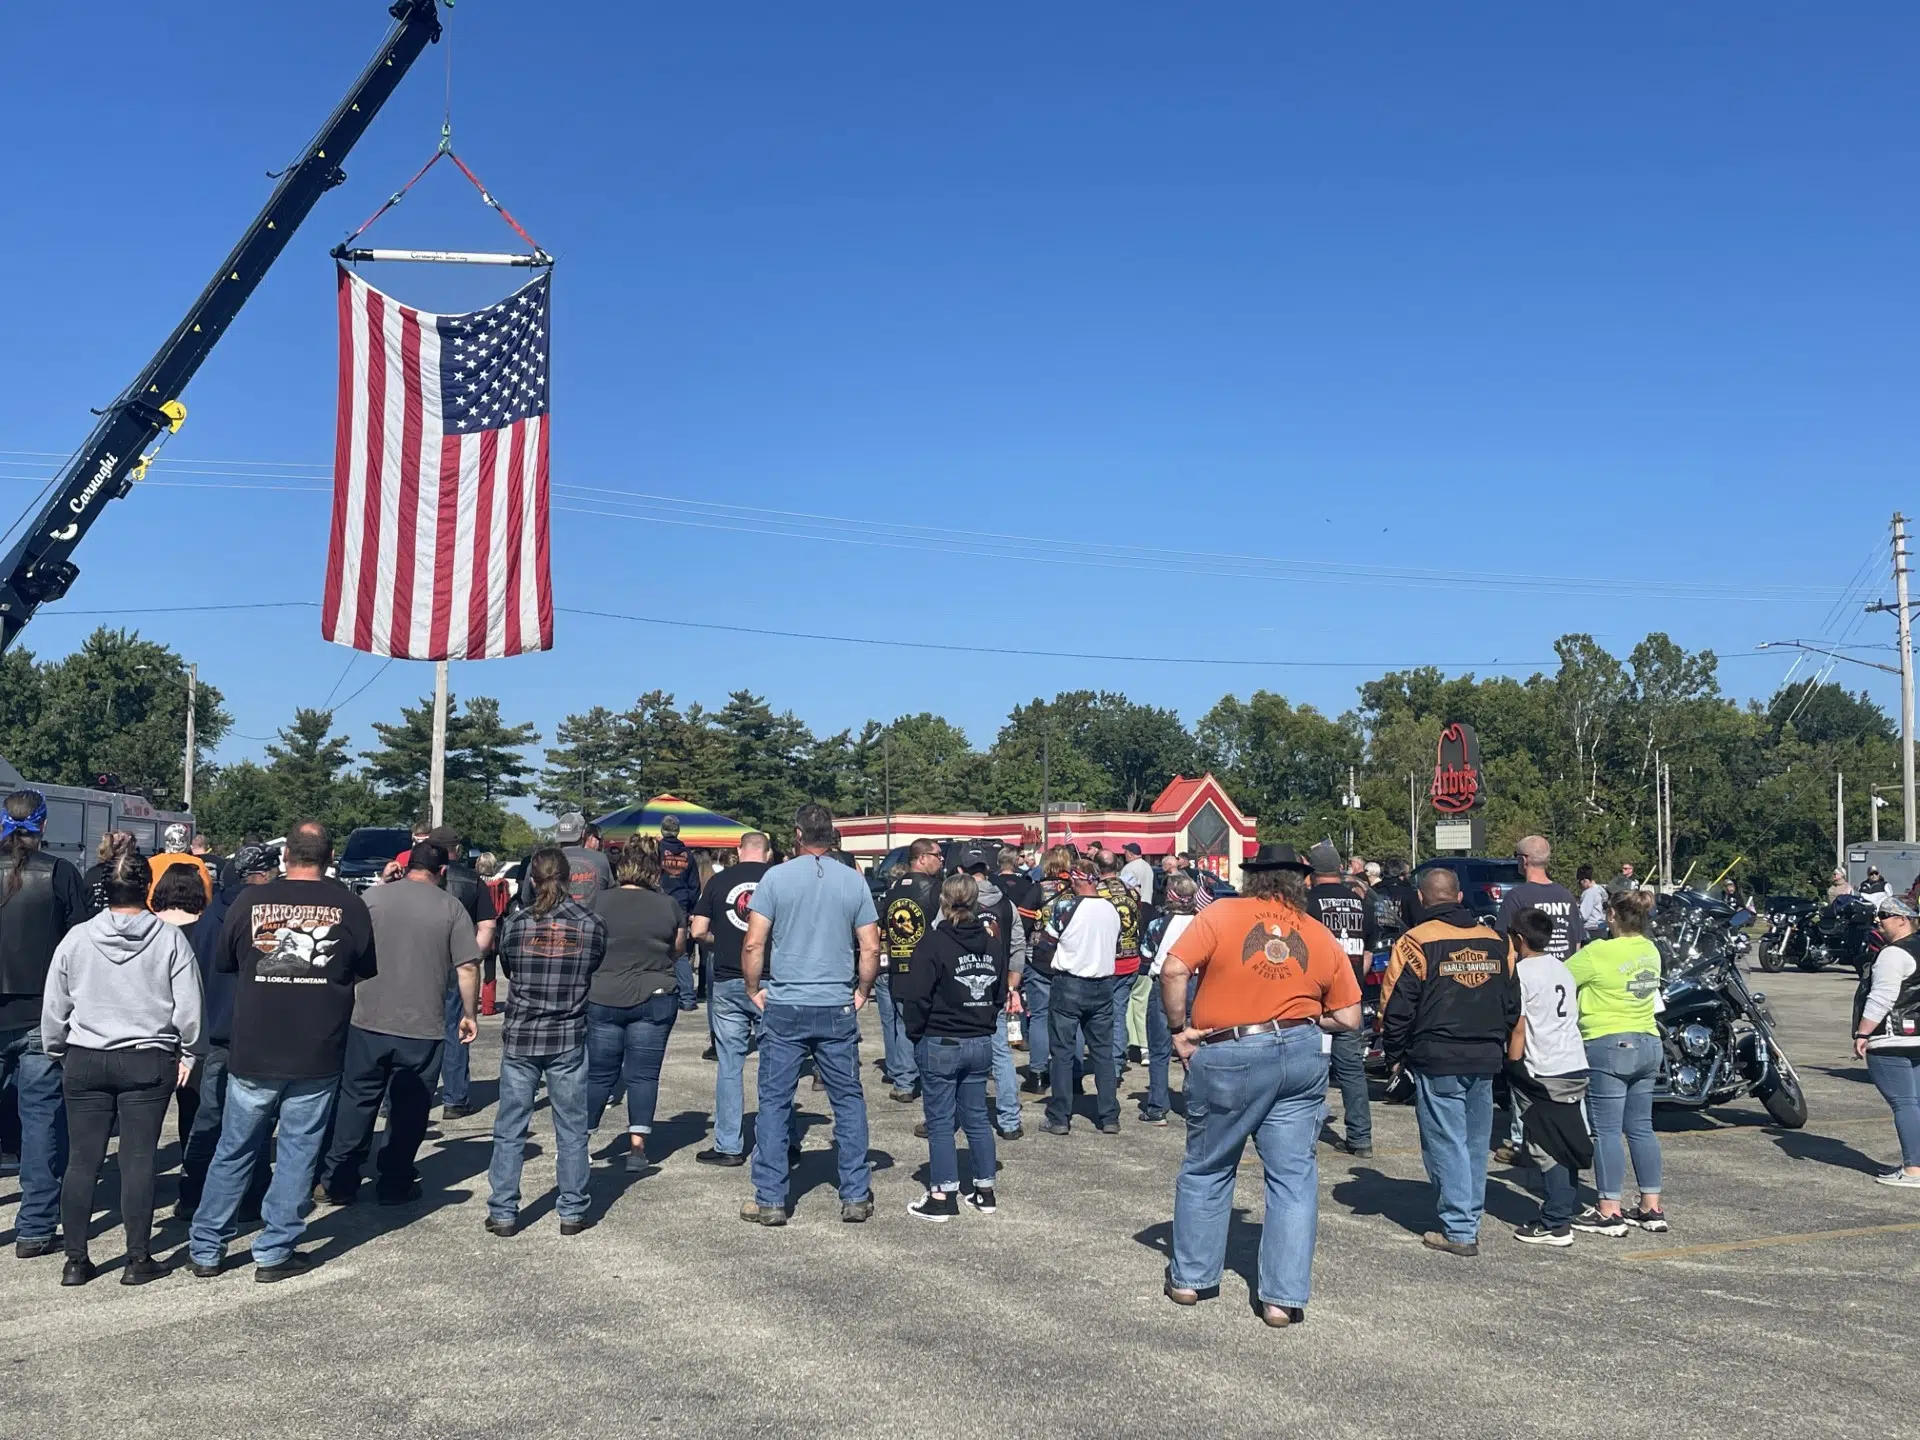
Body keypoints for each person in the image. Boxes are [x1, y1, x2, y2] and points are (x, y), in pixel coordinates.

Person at [1159, 842, 1361, 1327]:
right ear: (1300, 882)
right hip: (1299, 1053)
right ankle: (1281, 1299)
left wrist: (1177, 1029)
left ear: (1254, 878)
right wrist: (1303, 1021)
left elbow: (1173, 968)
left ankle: (1191, 1279)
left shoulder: (1223, 914)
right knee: (1293, 1178)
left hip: (1230, 1050)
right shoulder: (1317, 933)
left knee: (1209, 1166)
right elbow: (1350, 1016)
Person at [189, 822, 377, 1281]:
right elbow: (363, 968)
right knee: (297, 1152)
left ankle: (207, 1247)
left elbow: (227, 962)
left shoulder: (250, 901)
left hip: (255, 1044)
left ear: (285, 855)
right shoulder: (351, 905)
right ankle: (273, 1250)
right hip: (317, 1047)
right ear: (329, 857)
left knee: (234, 1148)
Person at [40, 850, 202, 1286]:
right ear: (147, 888)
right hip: (147, 1059)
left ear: (103, 891)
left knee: (82, 1161)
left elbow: (55, 1005)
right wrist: (188, 1051)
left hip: (86, 1056)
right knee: (138, 1160)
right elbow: (189, 1006)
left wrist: (58, 1049)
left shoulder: (76, 938)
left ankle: (76, 1260)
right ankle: (137, 1258)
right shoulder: (169, 939)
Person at [738, 804, 881, 1226]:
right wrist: (863, 991)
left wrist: (752, 989)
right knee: (848, 1100)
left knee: (775, 1102)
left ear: (797, 834)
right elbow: (870, 947)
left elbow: (753, 944)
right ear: (832, 836)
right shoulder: (853, 881)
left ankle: (770, 1199)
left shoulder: (775, 878)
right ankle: (855, 1193)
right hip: (835, 1003)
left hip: (785, 1002)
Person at [316, 842, 479, 1208]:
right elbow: (467, 966)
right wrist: (468, 1013)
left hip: (367, 1017)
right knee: (409, 1109)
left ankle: (339, 1180)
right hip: (422, 1025)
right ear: (441, 873)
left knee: (356, 1101)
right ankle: (394, 1182)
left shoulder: (373, 898)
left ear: (407, 866)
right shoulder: (450, 907)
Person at [1380, 866, 1518, 1257]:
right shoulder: (1496, 941)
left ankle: (1459, 1228)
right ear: (1459, 897)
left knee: (1445, 1141)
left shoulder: (1415, 942)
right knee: (1475, 1143)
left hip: (1437, 1055)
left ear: (1422, 900)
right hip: (1486, 1054)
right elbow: (1512, 1003)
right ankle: (1468, 1216)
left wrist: (1395, 1056)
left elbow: (1396, 1007)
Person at [487, 848, 607, 1237]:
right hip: (568, 1033)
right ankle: (572, 1210)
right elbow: (593, 965)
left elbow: (508, 967)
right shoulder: (591, 924)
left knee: (510, 1126)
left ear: (532, 881)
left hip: (522, 1034)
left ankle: (504, 1211)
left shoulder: (517, 925)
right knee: (571, 1128)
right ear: (569, 879)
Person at [0, 789, 88, 1259]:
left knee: (37, 1122)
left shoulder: (58, 872)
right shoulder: (60, 873)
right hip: (42, 1013)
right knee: (41, 1124)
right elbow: (79, 947)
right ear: (43, 825)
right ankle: (34, 1229)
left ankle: (34, 1225)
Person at [176, 844, 279, 1222]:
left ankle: (192, 1195)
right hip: (258, 1031)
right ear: (265, 874)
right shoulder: (269, 917)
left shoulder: (205, 918)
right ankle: (253, 1198)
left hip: (212, 1030)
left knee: (208, 1119)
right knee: (257, 1121)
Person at [897, 873, 1007, 1220]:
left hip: (941, 1037)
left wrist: (915, 1033)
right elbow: (999, 992)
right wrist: (986, 1020)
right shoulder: (993, 943)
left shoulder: (932, 942)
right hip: (979, 1038)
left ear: (942, 901)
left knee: (941, 1121)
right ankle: (984, 1190)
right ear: (977, 902)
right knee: (976, 1117)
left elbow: (916, 996)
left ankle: (943, 1195)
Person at [1564, 888, 1667, 1236]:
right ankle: (1651, 1205)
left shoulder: (1598, 952)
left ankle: (1608, 1208)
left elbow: (1561, 980)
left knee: (1607, 1130)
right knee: (1641, 1127)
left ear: (1610, 916)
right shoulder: (1650, 950)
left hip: (1608, 1042)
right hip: (1648, 1041)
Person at [586, 838, 686, 1173]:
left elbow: (587, 945)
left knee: (599, 1073)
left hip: (603, 993)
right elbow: (679, 948)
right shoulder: (668, 905)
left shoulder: (597, 901)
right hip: (654, 993)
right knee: (643, 1075)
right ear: (654, 868)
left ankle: (580, 1142)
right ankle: (637, 1151)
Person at [1503, 908, 1592, 1246]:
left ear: (1520, 939)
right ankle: (1563, 1207)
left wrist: (1512, 1066)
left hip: (1545, 1069)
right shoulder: (1561, 967)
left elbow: (1520, 1026)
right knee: (1565, 1139)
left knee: (1545, 1145)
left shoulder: (1523, 973)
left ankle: (1556, 1222)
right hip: (1573, 1062)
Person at [690, 832, 774, 1167]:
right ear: (767, 853)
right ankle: (781, 1140)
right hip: (772, 978)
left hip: (727, 977)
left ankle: (728, 1144)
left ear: (739, 852)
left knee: (729, 1065)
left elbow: (697, 931)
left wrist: (721, 937)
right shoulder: (778, 879)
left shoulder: (718, 881)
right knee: (777, 1064)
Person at [1305, 843, 1377, 1158]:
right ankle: (1361, 1138)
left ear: (1312, 873)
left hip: (1316, 997)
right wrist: (1354, 983)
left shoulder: (1307, 903)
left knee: (1312, 1069)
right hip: (1351, 996)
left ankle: (1307, 1135)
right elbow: (1368, 952)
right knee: (1351, 1069)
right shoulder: (1362, 901)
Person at [1039, 866, 1123, 1136]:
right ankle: (1109, 1116)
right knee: (1103, 1054)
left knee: (1062, 1053)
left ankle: (1059, 1117)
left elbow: (1045, 943)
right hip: (1103, 984)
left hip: (1070, 983)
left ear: (1078, 879)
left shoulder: (1066, 908)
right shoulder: (1111, 909)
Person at [951, 846, 1026, 1141]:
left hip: (959, 987)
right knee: (1000, 1055)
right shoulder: (1006, 905)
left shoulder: (955, 902)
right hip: (995, 987)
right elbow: (1018, 947)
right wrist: (1012, 986)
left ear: (961, 871)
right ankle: (1009, 1121)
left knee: (953, 1055)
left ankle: (950, 1118)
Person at [427, 826, 497, 1121]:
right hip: (457, 964)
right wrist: (473, 955)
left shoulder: (416, 879)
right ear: (454, 848)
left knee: (412, 1029)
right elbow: (487, 926)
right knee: (457, 1028)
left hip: (419, 962)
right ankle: (454, 1098)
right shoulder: (471, 881)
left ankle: (399, 1097)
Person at [1853, 893, 1920, 1186]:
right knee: (1915, 1103)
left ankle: (1913, 1169)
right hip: (1917, 1036)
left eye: (1884, 916)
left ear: (1903, 919)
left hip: (1891, 1039)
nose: (1878, 923)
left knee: (1904, 1103)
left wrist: (1863, 1032)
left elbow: (1881, 998)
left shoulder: (1893, 954)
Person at [878, 840, 943, 1104]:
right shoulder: (936, 890)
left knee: (904, 1025)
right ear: (922, 858)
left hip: (898, 964)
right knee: (929, 1026)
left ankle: (904, 1083)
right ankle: (929, 1080)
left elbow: (883, 923)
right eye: (937, 855)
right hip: (926, 967)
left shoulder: (893, 889)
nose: (941, 860)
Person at [150, 866, 209, 1148]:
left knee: (144, 1118)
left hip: (151, 1030)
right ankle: (192, 1172)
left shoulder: (148, 927)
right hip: (191, 1029)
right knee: (192, 1108)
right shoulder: (207, 929)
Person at [1136, 872, 1198, 1124]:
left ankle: (1157, 1107)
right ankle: (1194, 1104)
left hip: (1164, 984)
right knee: (1194, 1049)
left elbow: (1145, 958)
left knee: (1159, 1050)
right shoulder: (1203, 923)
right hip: (1196, 984)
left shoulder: (1157, 925)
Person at [1019, 846, 1073, 1096]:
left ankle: (1038, 1074)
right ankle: (1075, 1075)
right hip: (1073, 960)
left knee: (1039, 1016)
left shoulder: (1037, 889)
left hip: (1040, 958)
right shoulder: (1078, 890)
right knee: (1074, 1018)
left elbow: (1023, 926)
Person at [1094, 849, 1144, 1077]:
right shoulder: (1132, 891)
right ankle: (1115, 1060)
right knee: (1119, 1011)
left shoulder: (1096, 893)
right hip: (1131, 959)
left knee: (1099, 1016)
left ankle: (1108, 1062)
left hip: (1105, 961)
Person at [1497, 837, 1586, 961]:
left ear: (1523, 860)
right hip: (1564, 973)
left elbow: (1504, 944)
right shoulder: (1566, 896)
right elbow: (1577, 943)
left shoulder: (1516, 897)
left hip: (1529, 976)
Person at [659, 836, 703, 1014]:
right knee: (680, 952)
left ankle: (664, 993)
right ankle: (687, 997)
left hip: (660, 903)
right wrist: (691, 908)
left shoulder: (657, 851)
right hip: (681, 905)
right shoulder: (688, 855)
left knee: (658, 946)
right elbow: (694, 885)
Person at [147, 823, 213, 910]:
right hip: (189, 911)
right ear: (186, 840)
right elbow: (207, 886)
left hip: (157, 910)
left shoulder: (152, 862)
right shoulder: (197, 862)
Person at [553, 814, 614, 904]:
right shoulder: (601, 859)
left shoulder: (542, 860)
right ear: (583, 833)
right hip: (593, 916)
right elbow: (610, 893)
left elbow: (526, 898)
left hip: (553, 916)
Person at [81, 830, 137, 917]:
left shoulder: (91, 873)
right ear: (128, 850)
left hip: (94, 926)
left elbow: (84, 903)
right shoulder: (130, 874)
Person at [1576, 864, 1608, 939]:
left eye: (1579, 882)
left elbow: (1584, 915)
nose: (1579, 886)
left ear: (1585, 881)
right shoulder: (1600, 890)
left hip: (1591, 930)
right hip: (1601, 926)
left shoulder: (1589, 893)